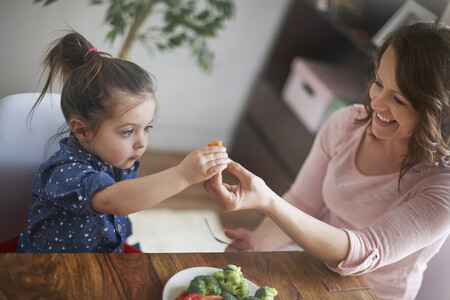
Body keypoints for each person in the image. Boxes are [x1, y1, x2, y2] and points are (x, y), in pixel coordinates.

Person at [204, 22, 449, 300]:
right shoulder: (346, 124)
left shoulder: (442, 190)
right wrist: (258, 243)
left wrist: (267, 200)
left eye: (399, 100)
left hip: (371, 293)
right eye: (379, 83)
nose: (377, 103)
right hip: (313, 266)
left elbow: (361, 251)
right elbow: (303, 202)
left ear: (438, 115)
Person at [16, 30, 230, 253]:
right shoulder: (64, 171)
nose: (141, 143)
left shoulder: (116, 157)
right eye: (128, 131)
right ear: (82, 130)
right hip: (51, 269)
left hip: (104, 256)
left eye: (147, 128)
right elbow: (114, 201)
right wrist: (183, 174)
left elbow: (133, 195)